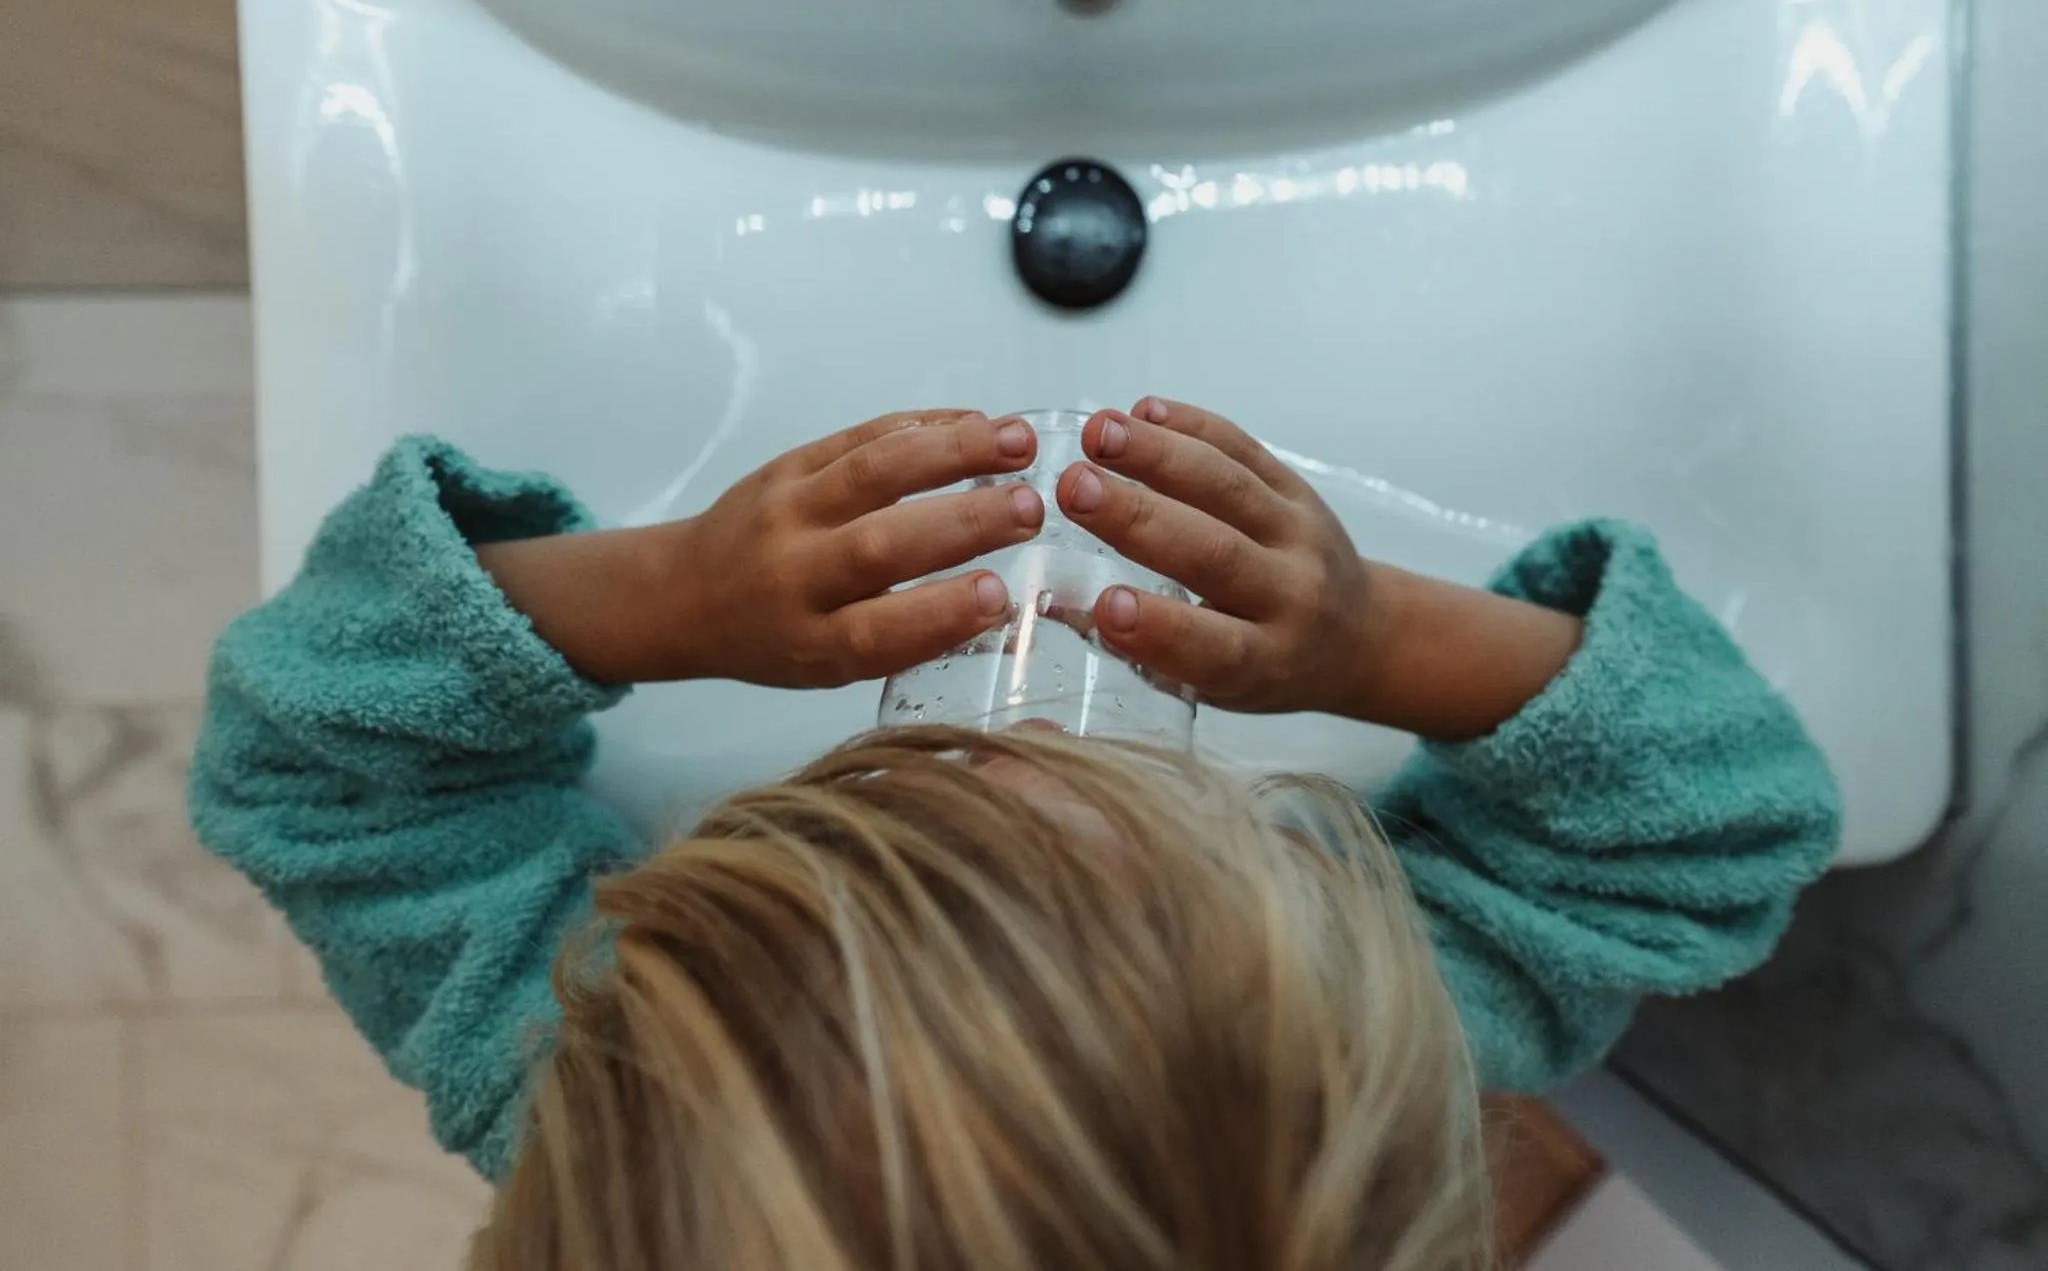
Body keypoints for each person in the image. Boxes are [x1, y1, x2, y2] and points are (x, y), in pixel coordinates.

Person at [189, 399, 1840, 1271]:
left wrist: (664, 596)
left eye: (896, 797)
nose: (1017, 715)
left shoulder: (599, 1084)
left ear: (651, 993)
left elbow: (322, 758)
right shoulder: (1368, 1036)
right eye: (1152, 819)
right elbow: (1705, 822)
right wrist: (1376, 640)